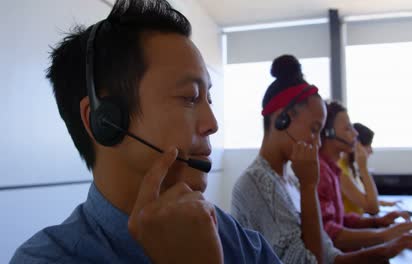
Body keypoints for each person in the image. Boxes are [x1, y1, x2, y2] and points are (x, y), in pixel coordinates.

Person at [11, 1, 281, 263]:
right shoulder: (48, 258)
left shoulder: (228, 233)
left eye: (208, 99)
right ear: (103, 121)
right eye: (189, 97)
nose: (212, 123)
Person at [231, 55, 412, 264]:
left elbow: (331, 257)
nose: (318, 143)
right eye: (314, 130)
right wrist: (309, 186)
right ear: (281, 119)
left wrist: (388, 248)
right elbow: (311, 262)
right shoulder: (256, 184)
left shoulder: (290, 181)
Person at [318, 101, 412, 253]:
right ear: (328, 133)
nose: (355, 134)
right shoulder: (322, 172)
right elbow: (329, 233)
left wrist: (378, 222)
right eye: (348, 128)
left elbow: (340, 219)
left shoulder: (331, 169)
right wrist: (385, 235)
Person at [338, 123, 399, 215]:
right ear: (357, 145)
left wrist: (383, 203)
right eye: (368, 145)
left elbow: (360, 199)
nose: (371, 151)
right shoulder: (341, 172)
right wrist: (364, 169)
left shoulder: (349, 167)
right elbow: (373, 209)